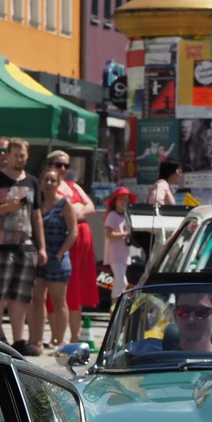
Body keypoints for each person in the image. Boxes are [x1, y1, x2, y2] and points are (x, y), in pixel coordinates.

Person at [0, 138, 46, 354]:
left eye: (22, 155)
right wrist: (7, 207)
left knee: (21, 296)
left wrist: (41, 247)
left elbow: (37, 216)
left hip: (25, 246)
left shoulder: (32, 182)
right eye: (15, 155)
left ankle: (18, 340)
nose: (19, 158)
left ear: (27, 155)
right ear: (9, 155)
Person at [46, 150, 97, 341]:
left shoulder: (73, 185)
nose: (63, 169)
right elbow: (62, 212)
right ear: (50, 165)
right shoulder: (50, 187)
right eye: (59, 165)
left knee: (79, 287)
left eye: (66, 166)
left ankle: (75, 336)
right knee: (63, 288)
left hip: (83, 240)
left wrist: (76, 212)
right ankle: (57, 336)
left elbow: (90, 206)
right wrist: (75, 211)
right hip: (65, 241)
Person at [34, 168, 78, 353]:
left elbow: (73, 231)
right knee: (36, 299)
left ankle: (58, 341)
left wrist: (60, 253)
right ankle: (36, 339)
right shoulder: (36, 203)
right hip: (37, 257)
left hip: (57, 258)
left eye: (53, 180)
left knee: (59, 300)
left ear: (58, 183)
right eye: (46, 180)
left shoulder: (64, 203)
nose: (49, 183)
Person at [103, 188, 133, 299]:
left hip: (124, 254)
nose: (124, 202)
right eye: (121, 199)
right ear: (115, 201)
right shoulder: (112, 215)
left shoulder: (126, 217)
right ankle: (115, 308)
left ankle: (114, 310)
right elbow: (109, 234)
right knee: (122, 282)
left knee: (119, 283)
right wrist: (125, 234)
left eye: (126, 199)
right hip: (114, 254)